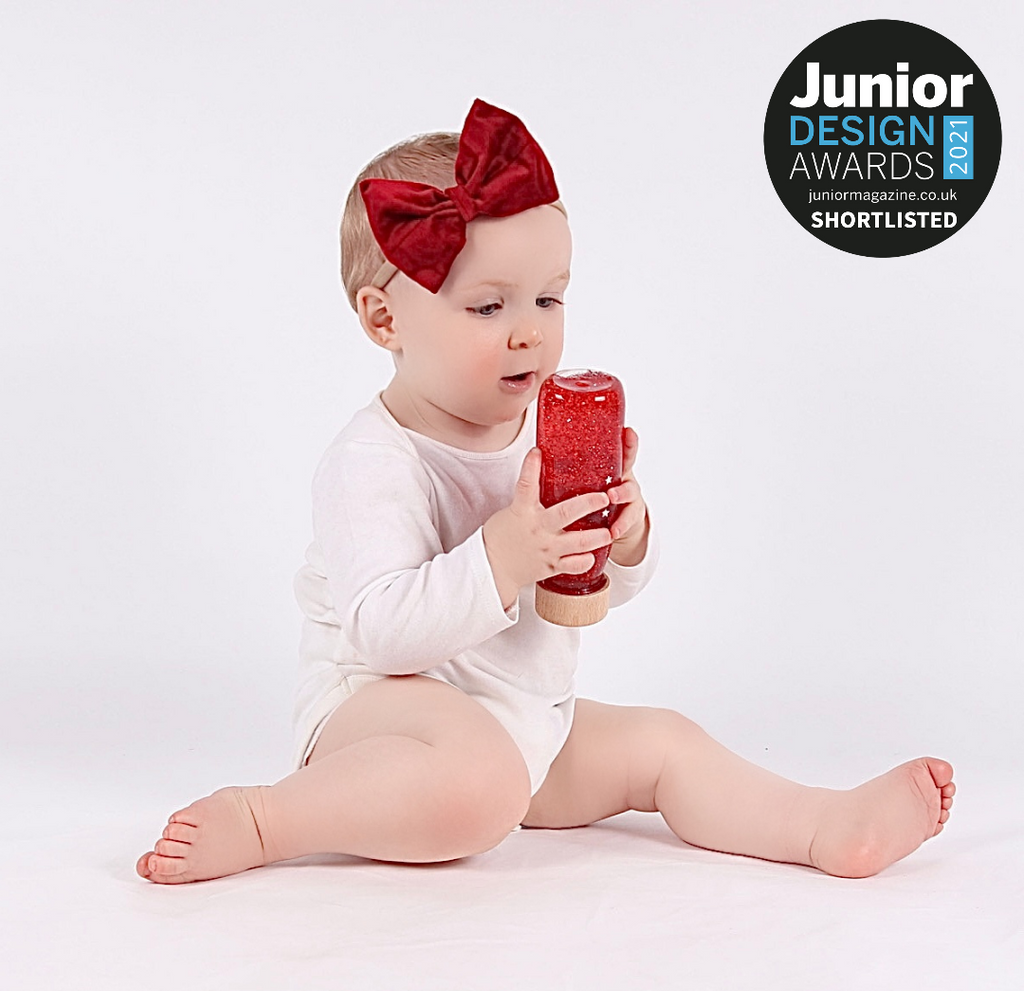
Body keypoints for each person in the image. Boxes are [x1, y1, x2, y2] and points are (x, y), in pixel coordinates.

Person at [136, 99, 954, 885]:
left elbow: (585, 593)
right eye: (488, 306)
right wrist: (508, 549)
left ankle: (820, 826)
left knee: (661, 745)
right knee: (478, 784)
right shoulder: (372, 462)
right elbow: (384, 634)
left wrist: (622, 536)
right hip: (381, 719)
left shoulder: (544, 433)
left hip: (519, 718)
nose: (529, 330)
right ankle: (267, 820)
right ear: (385, 322)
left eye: (549, 298)